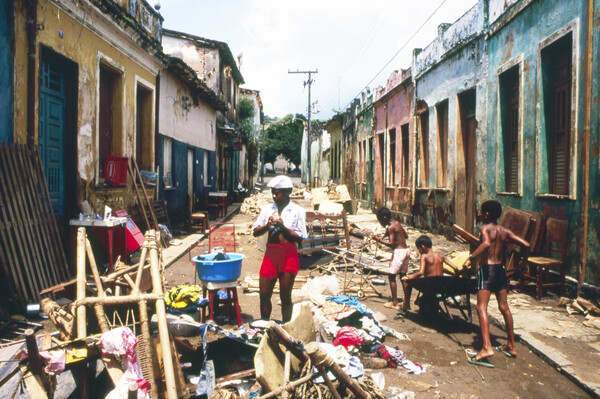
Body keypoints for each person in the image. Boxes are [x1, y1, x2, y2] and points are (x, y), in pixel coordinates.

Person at [463, 200, 530, 368]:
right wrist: (524, 260)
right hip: (500, 271)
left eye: (482, 212)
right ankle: (511, 346)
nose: (480, 214)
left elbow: (486, 244)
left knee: (481, 308)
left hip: (487, 271)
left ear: (486, 214)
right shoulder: (504, 231)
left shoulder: (484, 229)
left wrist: (470, 258)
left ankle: (486, 348)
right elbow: (526, 244)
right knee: (504, 307)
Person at [252, 175, 307, 322]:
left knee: (285, 296)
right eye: (273, 193)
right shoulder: (267, 209)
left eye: (278, 193)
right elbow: (255, 231)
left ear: (288, 192)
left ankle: (285, 328)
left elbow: (300, 237)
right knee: (264, 293)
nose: (275, 196)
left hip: (288, 256)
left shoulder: (297, 211)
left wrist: (283, 227)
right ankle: (265, 325)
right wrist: (267, 226)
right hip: (270, 255)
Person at [401, 235, 460, 310]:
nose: (419, 251)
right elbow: (455, 268)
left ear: (422, 247)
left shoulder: (424, 256)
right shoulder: (441, 256)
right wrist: (457, 275)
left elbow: (421, 272)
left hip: (429, 284)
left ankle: (406, 304)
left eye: (419, 249)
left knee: (406, 280)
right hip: (442, 284)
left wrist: (410, 277)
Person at [371, 207, 410, 310]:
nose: (380, 223)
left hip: (399, 252)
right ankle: (407, 303)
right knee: (403, 276)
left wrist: (378, 239)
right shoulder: (397, 223)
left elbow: (392, 244)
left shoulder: (390, 227)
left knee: (392, 276)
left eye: (380, 220)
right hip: (406, 251)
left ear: (384, 218)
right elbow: (405, 236)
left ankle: (395, 302)